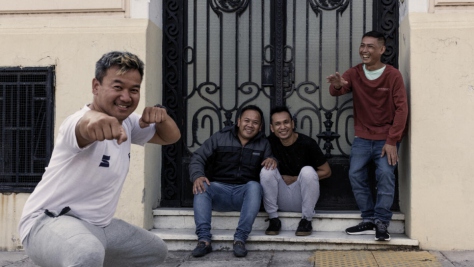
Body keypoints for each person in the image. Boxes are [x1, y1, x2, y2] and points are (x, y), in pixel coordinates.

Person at [18, 51, 181, 267]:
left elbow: (170, 137)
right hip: (46, 222)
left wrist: (162, 116)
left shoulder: (128, 122)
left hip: (99, 227)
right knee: (86, 253)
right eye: (117, 87)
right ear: (96, 86)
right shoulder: (75, 122)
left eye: (133, 90)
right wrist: (96, 120)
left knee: (153, 251)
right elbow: (85, 126)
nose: (126, 97)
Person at [326, 30, 408, 241]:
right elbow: (338, 90)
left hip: (386, 138)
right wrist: (336, 85)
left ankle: (382, 221)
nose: (364, 50)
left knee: (385, 175)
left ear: (382, 50)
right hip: (363, 137)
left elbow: (402, 110)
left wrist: (392, 140)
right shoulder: (355, 73)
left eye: (370, 46)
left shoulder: (393, 75)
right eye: (362, 45)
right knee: (355, 174)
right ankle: (369, 218)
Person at [189, 105, 277, 258]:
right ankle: (204, 240)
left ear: (260, 126)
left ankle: (240, 239)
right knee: (202, 185)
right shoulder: (220, 137)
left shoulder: (264, 143)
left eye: (255, 122)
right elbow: (198, 157)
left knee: (254, 186)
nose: (250, 125)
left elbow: (271, 165)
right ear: (238, 121)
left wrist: (272, 159)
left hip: (245, 195)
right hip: (219, 192)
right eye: (246, 121)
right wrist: (197, 175)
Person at [260, 106, 331, 236]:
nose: (282, 127)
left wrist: (295, 178)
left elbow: (326, 171)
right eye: (277, 124)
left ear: (292, 124)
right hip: (279, 197)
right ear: (272, 128)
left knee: (308, 171)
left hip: (302, 197)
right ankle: (273, 219)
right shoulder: (268, 143)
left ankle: (306, 220)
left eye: (286, 122)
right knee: (267, 170)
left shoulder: (307, 143)